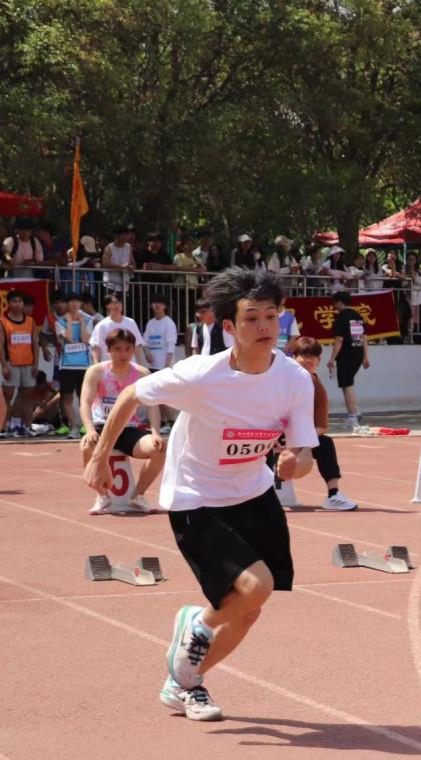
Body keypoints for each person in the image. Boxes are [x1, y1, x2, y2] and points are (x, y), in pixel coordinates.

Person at [83, 266, 318, 722]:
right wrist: (100, 456)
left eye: (271, 316)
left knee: (249, 609)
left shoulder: (295, 379)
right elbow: (132, 395)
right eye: (252, 318)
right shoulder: (201, 375)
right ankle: (197, 624)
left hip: (254, 493)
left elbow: (304, 454)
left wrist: (297, 463)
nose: (264, 326)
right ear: (229, 326)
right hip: (198, 497)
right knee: (255, 587)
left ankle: (185, 682)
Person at [79, 329, 167, 514]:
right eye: (118, 349)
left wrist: (156, 432)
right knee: (87, 446)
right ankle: (102, 496)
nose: (124, 354)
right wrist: (90, 430)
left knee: (159, 449)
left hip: (129, 428)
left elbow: (152, 406)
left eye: (128, 349)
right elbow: (85, 403)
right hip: (102, 428)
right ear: (109, 350)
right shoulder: (96, 372)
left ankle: (138, 495)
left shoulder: (142, 373)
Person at [290, 337, 358, 511]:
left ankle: (333, 494)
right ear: (294, 357)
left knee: (325, 444)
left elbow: (321, 426)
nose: (307, 360)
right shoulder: (280, 379)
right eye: (303, 355)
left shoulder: (316, 386)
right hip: (271, 434)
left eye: (312, 356)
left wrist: (300, 443)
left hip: (296, 437)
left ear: (319, 360)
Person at [327, 290, 370, 426]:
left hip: (346, 354)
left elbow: (339, 339)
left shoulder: (341, 318)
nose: (334, 306)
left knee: (347, 385)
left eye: (334, 303)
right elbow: (362, 338)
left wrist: (332, 359)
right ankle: (356, 412)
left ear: (340, 302)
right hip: (357, 353)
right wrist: (365, 356)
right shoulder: (357, 316)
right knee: (348, 383)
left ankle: (352, 417)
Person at [56, 291, 95, 437]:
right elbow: (69, 338)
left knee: (84, 397)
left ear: (81, 304)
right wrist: (69, 321)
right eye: (71, 302)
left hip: (84, 366)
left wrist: (83, 322)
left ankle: (86, 426)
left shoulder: (89, 320)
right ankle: (73, 428)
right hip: (67, 366)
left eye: (77, 301)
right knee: (67, 398)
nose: (74, 304)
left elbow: (85, 339)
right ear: (66, 304)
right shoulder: (60, 321)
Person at [1, 290, 39, 436]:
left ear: (23, 304)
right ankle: (3, 427)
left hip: (28, 364)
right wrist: (4, 365)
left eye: (20, 301)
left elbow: (35, 343)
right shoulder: (3, 322)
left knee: (28, 397)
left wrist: (36, 364)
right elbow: (1, 345)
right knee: (7, 397)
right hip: (11, 364)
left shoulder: (30, 321)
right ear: (9, 304)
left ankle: (28, 427)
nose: (17, 304)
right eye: (14, 301)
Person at [143, 296, 179, 433]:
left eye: (160, 303)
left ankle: (171, 423)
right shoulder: (150, 323)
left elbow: (171, 345)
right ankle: (162, 422)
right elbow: (144, 342)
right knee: (156, 396)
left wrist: (167, 365)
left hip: (164, 366)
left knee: (164, 396)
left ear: (165, 306)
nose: (157, 305)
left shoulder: (169, 323)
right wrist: (147, 353)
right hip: (153, 366)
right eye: (155, 303)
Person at [89, 294, 144, 365]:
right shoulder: (101, 326)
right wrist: (96, 367)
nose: (117, 305)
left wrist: (141, 366)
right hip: (109, 366)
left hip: (130, 366)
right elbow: (96, 348)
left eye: (119, 303)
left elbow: (137, 345)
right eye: (114, 303)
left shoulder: (131, 322)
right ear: (107, 306)